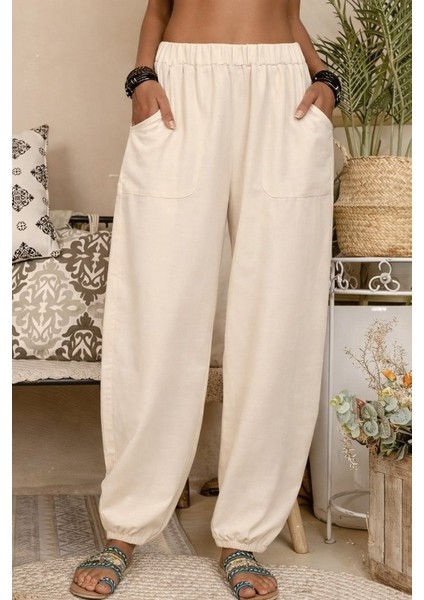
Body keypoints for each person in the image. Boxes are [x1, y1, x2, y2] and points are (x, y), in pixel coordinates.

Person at [71, 1, 339, 598]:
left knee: (277, 310)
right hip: (182, 84)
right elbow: (159, 9)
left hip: (282, 91)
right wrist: (142, 76)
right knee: (159, 306)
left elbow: (289, 11)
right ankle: (126, 526)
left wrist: (324, 77)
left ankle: (243, 535)